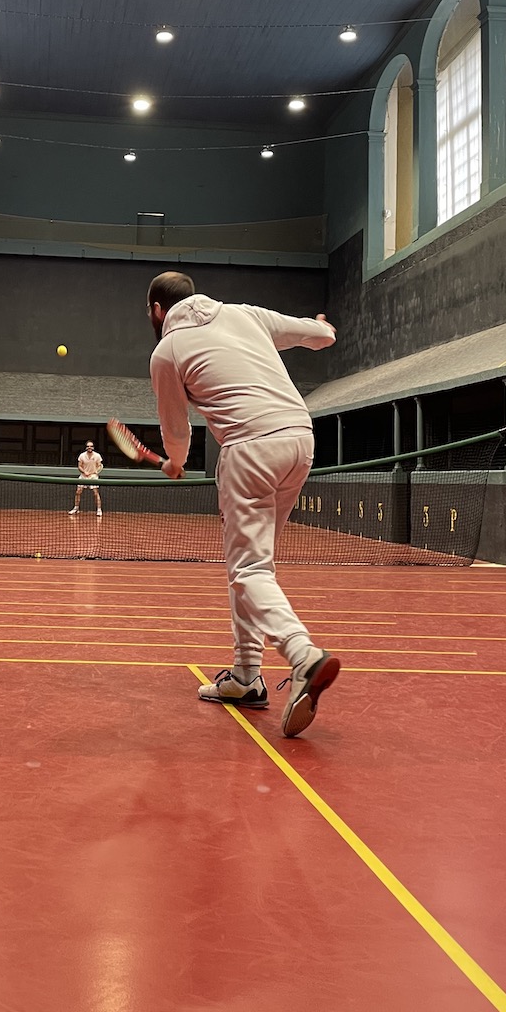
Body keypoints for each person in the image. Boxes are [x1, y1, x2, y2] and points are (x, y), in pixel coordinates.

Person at [147, 271, 340, 738]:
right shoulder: (244, 314)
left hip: (249, 448)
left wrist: (175, 462)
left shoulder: (166, 352)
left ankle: (301, 654)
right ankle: (246, 678)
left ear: (156, 311)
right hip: (300, 440)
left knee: (248, 571)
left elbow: (177, 429)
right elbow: (317, 336)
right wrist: (323, 326)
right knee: (255, 567)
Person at [69, 439, 104, 517]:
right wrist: (84, 472)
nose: (89, 447)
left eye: (91, 446)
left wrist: (95, 472)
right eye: (88, 446)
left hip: (93, 477)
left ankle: (99, 509)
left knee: (96, 493)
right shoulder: (82, 456)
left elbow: (99, 466)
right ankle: (76, 508)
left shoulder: (97, 456)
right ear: (86, 448)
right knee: (78, 492)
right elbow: (79, 466)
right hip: (83, 476)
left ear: (93, 447)